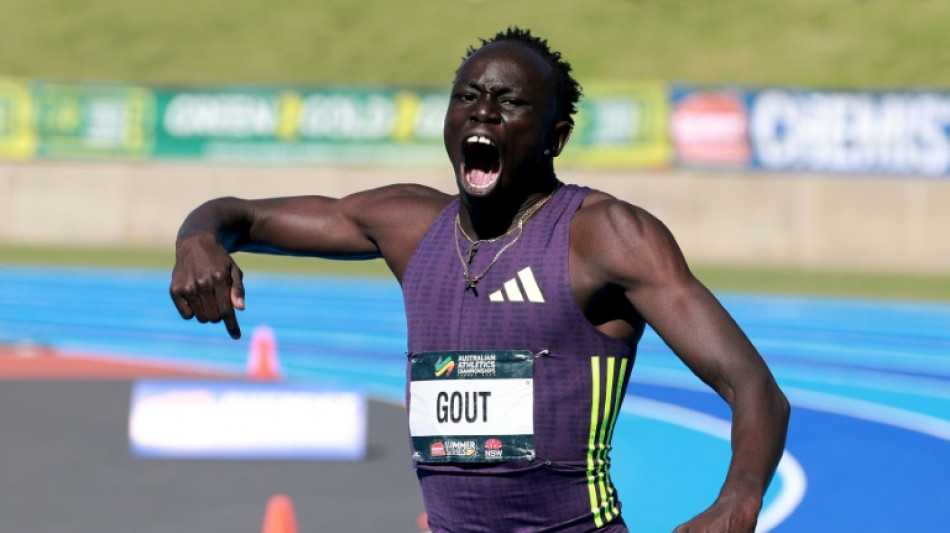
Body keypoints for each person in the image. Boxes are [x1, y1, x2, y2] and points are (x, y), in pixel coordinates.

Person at [170, 27, 790, 533]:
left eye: (510, 102)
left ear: (555, 136)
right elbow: (242, 216)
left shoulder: (604, 235)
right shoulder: (409, 226)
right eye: (467, 97)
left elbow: (754, 385)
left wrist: (737, 499)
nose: (484, 113)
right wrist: (198, 236)